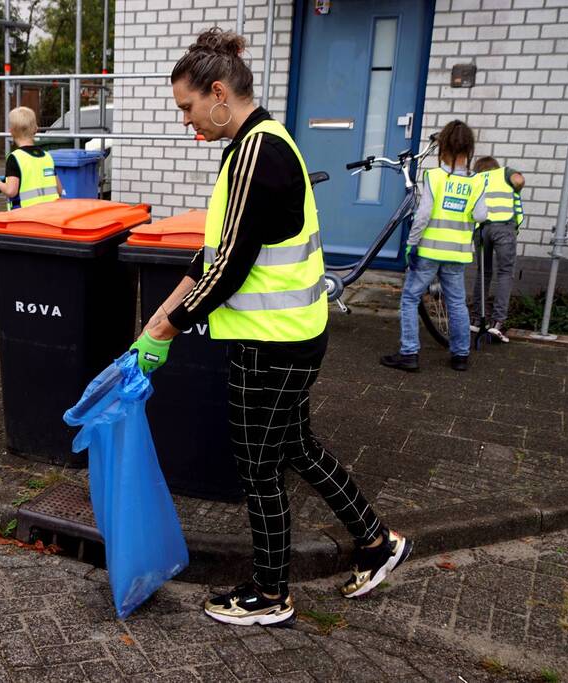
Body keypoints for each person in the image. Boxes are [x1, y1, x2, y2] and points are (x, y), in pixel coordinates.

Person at [129, 28, 411, 628]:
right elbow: (217, 251)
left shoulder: (257, 152)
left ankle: (270, 592)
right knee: (295, 447)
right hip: (292, 336)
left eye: (187, 108)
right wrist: (159, 316)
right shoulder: (257, 143)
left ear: (219, 92)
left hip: (273, 345)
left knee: (259, 466)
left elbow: (230, 268)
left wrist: (170, 326)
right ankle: (376, 541)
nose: (186, 122)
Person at [381, 120, 488, 372]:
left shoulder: (435, 177)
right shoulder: (478, 182)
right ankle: (460, 355)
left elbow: (423, 215)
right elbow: (481, 216)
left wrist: (411, 244)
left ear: (443, 147)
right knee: (456, 303)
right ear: (469, 149)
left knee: (410, 298)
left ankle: (409, 354)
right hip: (457, 254)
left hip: (428, 251)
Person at [469, 155, 525, 343]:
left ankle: (477, 320)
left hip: (482, 230)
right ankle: (497, 324)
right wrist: (516, 188)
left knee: (483, 274)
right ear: (495, 167)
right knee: (504, 273)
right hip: (503, 228)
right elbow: (518, 180)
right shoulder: (503, 172)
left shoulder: (474, 178)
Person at [0, 106, 63, 209]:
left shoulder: (14, 158)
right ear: (36, 129)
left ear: (11, 131)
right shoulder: (47, 156)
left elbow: (11, 191)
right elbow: (59, 190)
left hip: (24, 218)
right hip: (49, 215)